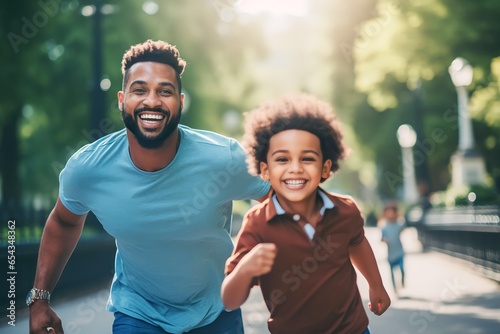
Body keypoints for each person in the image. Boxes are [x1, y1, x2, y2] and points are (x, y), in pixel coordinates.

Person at [28, 39, 270, 334]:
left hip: (216, 310)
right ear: (121, 99)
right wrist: (39, 299)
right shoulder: (90, 169)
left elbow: (283, 201)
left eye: (164, 91)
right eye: (139, 90)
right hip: (138, 312)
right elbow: (64, 221)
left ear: (181, 102)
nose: (152, 101)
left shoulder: (224, 159)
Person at [221, 94, 391, 334]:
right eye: (282, 159)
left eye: (307, 158)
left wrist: (376, 285)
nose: (295, 168)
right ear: (265, 170)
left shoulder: (345, 210)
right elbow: (230, 300)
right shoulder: (258, 224)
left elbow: (357, 242)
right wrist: (246, 268)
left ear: (325, 168)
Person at [380, 200, 406, 294]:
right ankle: (395, 288)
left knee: (402, 269)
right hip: (390, 253)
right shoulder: (384, 226)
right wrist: (384, 240)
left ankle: (402, 281)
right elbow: (381, 237)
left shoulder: (399, 224)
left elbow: (403, 227)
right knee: (392, 272)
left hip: (399, 251)